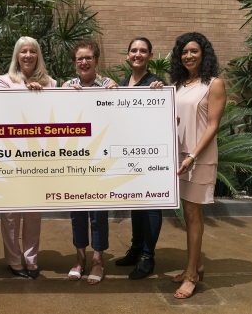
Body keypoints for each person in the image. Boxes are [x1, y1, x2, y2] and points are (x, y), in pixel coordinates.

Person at [164, 32, 226, 299]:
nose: (188, 56)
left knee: (192, 214)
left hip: (197, 157)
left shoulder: (214, 84)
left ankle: (191, 276)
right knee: (188, 214)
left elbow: (213, 125)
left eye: (194, 51)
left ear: (204, 54)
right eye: (184, 52)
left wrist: (193, 156)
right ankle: (196, 264)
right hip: (178, 156)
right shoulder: (178, 85)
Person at [0, 36, 57, 279]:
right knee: (10, 212)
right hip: (11, 154)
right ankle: (13, 260)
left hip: (39, 157)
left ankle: (31, 259)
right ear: (17, 55)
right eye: (23, 51)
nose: (28, 55)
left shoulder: (50, 82)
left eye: (33, 51)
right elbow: (4, 114)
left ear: (38, 55)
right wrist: (28, 95)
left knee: (34, 211)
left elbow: (55, 117)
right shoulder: (5, 80)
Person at [62, 40, 116, 285]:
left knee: (98, 212)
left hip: (100, 158)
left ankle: (97, 260)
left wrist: (113, 94)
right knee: (77, 212)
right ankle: (80, 258)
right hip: (74, 157)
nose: (84, 62)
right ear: (75, 63)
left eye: (88, 58)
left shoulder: (107, 85)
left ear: (96, 60)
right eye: (79, 59)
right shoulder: (67, 86)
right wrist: (65, 97)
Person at [114, 37, 164, 280]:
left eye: (143, 51)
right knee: (137, 203)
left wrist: (161, 94)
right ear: (127, 55)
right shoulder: (123, 84)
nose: (138, 54)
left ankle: (147, 256)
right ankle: (135, 250)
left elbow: (163, 117)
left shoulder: (155, 84)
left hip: (150, 154)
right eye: (133, 50)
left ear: (150, 56)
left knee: (152, 206)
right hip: (130, 154)